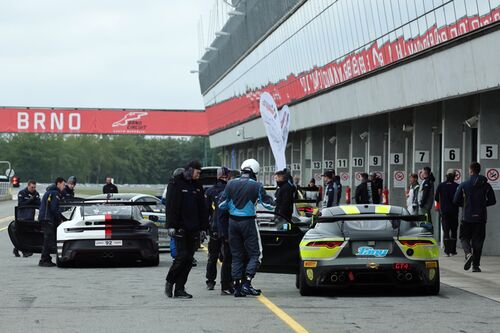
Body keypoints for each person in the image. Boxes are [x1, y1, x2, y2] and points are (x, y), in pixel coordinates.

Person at [219, 158, 274, 297]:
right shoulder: (256, 185)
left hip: (232, 222)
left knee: (236, 255)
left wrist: (233, 206)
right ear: (255, 171)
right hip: (248, 222)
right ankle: (247, 283)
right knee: (256, 253)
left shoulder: (230, 183)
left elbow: (221, 204)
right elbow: (269, 205)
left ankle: (237, 287)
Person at [165, 161, 208, 299]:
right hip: (180, 228)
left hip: (194, 228)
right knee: (182, 256)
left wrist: (203, 228)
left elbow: (203, 209)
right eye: (198, 172)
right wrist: (171, 225)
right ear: (190, 170)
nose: (199, 175)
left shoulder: (198, 186)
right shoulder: (175, 183)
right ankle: (170, 281)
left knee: (189, 260)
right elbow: (170, 206)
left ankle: (180, 289)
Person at [454, 162, 496, 272]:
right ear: (479, 170)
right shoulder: (486, 184)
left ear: (471, 171)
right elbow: (493, 201)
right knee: (478, 241)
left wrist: (464, 205)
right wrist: (482, 204)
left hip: (467, 217)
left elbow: (455, 200)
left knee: (464, 238)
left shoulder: (464, 184)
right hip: (481, 218)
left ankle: (468, 254)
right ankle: (475, 266)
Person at [205, 167, 233, 294]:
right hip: (227, 228)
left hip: (214, 228)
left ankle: (210, 281)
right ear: (227, 176)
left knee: (213, 256)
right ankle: (227, 284)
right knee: (227, 257)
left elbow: (206, 211)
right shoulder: (231, 190)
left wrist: (206, 226)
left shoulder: (210, 191)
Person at [38, 177, 66, 267]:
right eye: (63, 184)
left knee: (48, 239)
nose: (64, 187)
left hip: (44, 218)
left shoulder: (50, 192)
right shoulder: (55, 193)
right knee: (48, 240)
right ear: (58, 183)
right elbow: (54, 208)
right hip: (47, 218)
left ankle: (47, 258)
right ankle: (44, 260)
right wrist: (60, 219)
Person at [435, 169, 460, 256]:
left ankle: (447, 251)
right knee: (453, 231)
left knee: (446, 231)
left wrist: (442, 204)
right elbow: (460, 199)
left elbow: (436, 198)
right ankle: (453, 250)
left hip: (444, 212)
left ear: (446, 176)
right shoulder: (457, 186)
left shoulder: (441, 186)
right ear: (454, 176)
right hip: (454, 212)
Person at [14, 179, 40, 257]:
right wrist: (31, 200)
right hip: (22, 216)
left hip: (30, 216)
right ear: (28, 186)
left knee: (28, 234)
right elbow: (21, 204)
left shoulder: (36, 193)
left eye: (34, 187)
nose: (33, 189)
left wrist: (34, 200)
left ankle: (20, 249)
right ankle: (22, 250)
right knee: (21, 233)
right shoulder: (22, 193)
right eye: (32, 187)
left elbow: (39, 204)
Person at [165, 168, 185, 260]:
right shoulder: (173, 186)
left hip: (176, 217)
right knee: (175, 238)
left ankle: (176, 255)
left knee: (175, 238)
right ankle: (176, 255)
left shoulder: (170, 185)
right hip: (178, 218)